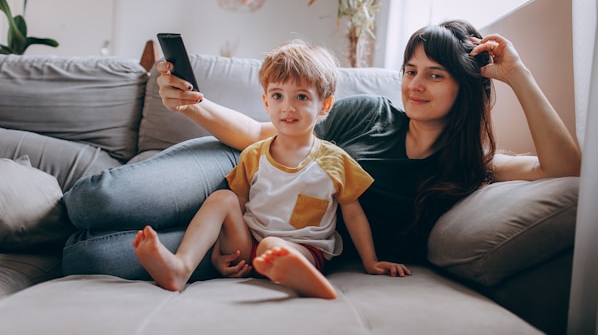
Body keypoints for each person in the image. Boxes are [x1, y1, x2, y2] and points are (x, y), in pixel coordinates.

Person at [62, 20, 580, 281]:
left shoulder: (469, 168)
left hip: (269, 232)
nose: (415, 85)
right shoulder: (372, 112)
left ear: (465, 87)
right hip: (243, 166)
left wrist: (517, 75)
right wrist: (194, 106)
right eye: (410, 70)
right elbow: (261, 134)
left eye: (435, 75)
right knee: (91, 204)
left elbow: (568, 169)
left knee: (83, 254)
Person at [131, 40, 410, 298]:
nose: (287, 107)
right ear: (266, 102)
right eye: (278, 96)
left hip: (303, 251)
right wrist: (218, 254)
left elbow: (354, 215)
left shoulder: (335, 160)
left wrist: (370, 261)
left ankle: (308, 280)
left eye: (301, 97)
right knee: (222, 198)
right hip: (249, 244)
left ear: (324, 105)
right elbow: (234, 211)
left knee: (271, 246)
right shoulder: (254, 155)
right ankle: (181, 267)